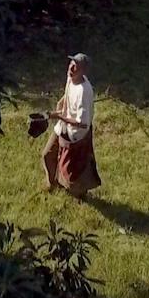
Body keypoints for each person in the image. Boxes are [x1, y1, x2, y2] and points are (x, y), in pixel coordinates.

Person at [42, 52, 102, 196]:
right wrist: (61, 103)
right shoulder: (71, 76)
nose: (72, 68)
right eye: (71, 64)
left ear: (83, 71)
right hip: (63, 127)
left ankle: (80, 195)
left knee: (73, 173)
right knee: (47, 155)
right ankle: (53, 184)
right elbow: (68, 91)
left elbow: (82, 123)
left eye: (76, 66)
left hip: (76, 136)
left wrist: (60, 116)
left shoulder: (84, 92)